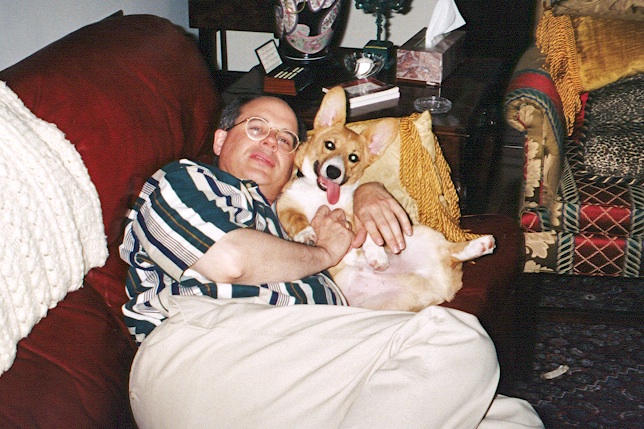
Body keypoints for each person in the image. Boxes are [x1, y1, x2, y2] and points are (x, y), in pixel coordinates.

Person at [121, 95, 544, 428]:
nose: (271, 141)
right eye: (256, 128)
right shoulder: (186, 181)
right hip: (200, 351)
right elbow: (231, 260)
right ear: (219, 141)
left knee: (512, 418)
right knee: (456, 339)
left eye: (286, 139)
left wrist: (367, 191)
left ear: (295, 161)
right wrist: (325, 252)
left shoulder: (297, 216)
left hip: (300, 362)